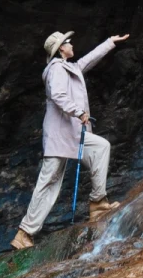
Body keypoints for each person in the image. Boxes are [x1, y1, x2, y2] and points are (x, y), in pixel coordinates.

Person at [10, 30, 129, 251]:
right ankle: (24, 233)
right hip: (59, 134)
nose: (72, 44)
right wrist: (78, 111)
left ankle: (98, 203)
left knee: (101, 147)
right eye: (68, 42)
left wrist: (110, 42)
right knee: (49, 181)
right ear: (61, 49)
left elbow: (87, 60)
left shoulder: (69, 68)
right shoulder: (56, 69)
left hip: (73, 134)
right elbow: (58, 95)